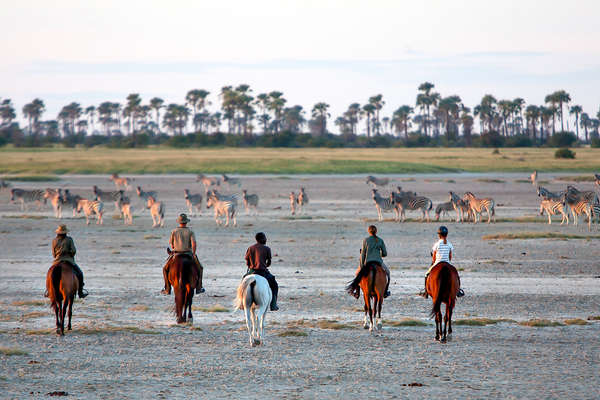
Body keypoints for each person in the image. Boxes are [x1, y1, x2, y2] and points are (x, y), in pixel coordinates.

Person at [161, 213, 205, 295]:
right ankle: (199, 287)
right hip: (188, 253)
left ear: (179, 222)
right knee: (200, 268)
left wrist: (175, 247)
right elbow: (194, 244)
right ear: (186, 222)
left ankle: (167, 288)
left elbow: (171, 244)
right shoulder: (190, 231)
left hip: (176, 254)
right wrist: (194, 254)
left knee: (165, 269)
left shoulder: (174, 231)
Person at [347, 225, 390, 299]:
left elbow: (363, 254)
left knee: (357, 274)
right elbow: (385, 254)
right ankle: (385, 291)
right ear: (376, 231)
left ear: (368, 231)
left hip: (367, 262)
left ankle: (357, 293)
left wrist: (361, 265)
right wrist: (379, 254)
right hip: (378, 262)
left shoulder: (365, 240)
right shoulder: (380, 240)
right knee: (388, 273)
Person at [420, 226, 464, 298]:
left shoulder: (437, 244)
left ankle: (426, 292)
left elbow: (434, 256)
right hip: (447, 262)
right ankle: (458, 290)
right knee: (456, 274)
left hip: (437, 262)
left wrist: (434, 262)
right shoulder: (449, 244)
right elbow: (450, 256)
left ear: (439, 235)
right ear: (446, 234)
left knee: (426, 274)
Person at [50, 224, 88, 298]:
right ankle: (80, 292)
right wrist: (70, 255)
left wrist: (57, 256)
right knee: (80, 273)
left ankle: (49, 291)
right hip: (68, 260)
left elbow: (53, 254)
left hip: (57, 261)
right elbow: (73, 250)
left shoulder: (54, 240)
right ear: (65, 232)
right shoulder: (69, 239)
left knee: (51, 275)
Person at [244, 232, 279, 311]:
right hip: (263, 272)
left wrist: (250, 265)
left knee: (243, 282)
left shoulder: (250, 248)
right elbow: (269, 262)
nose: (266, 239)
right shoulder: (267, 248)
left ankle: (241, 303)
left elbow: (247, 261)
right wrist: (265, 265)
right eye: (264, 238)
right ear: (261, 239)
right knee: (274, 285)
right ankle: (273, 304)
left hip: (252, 271)